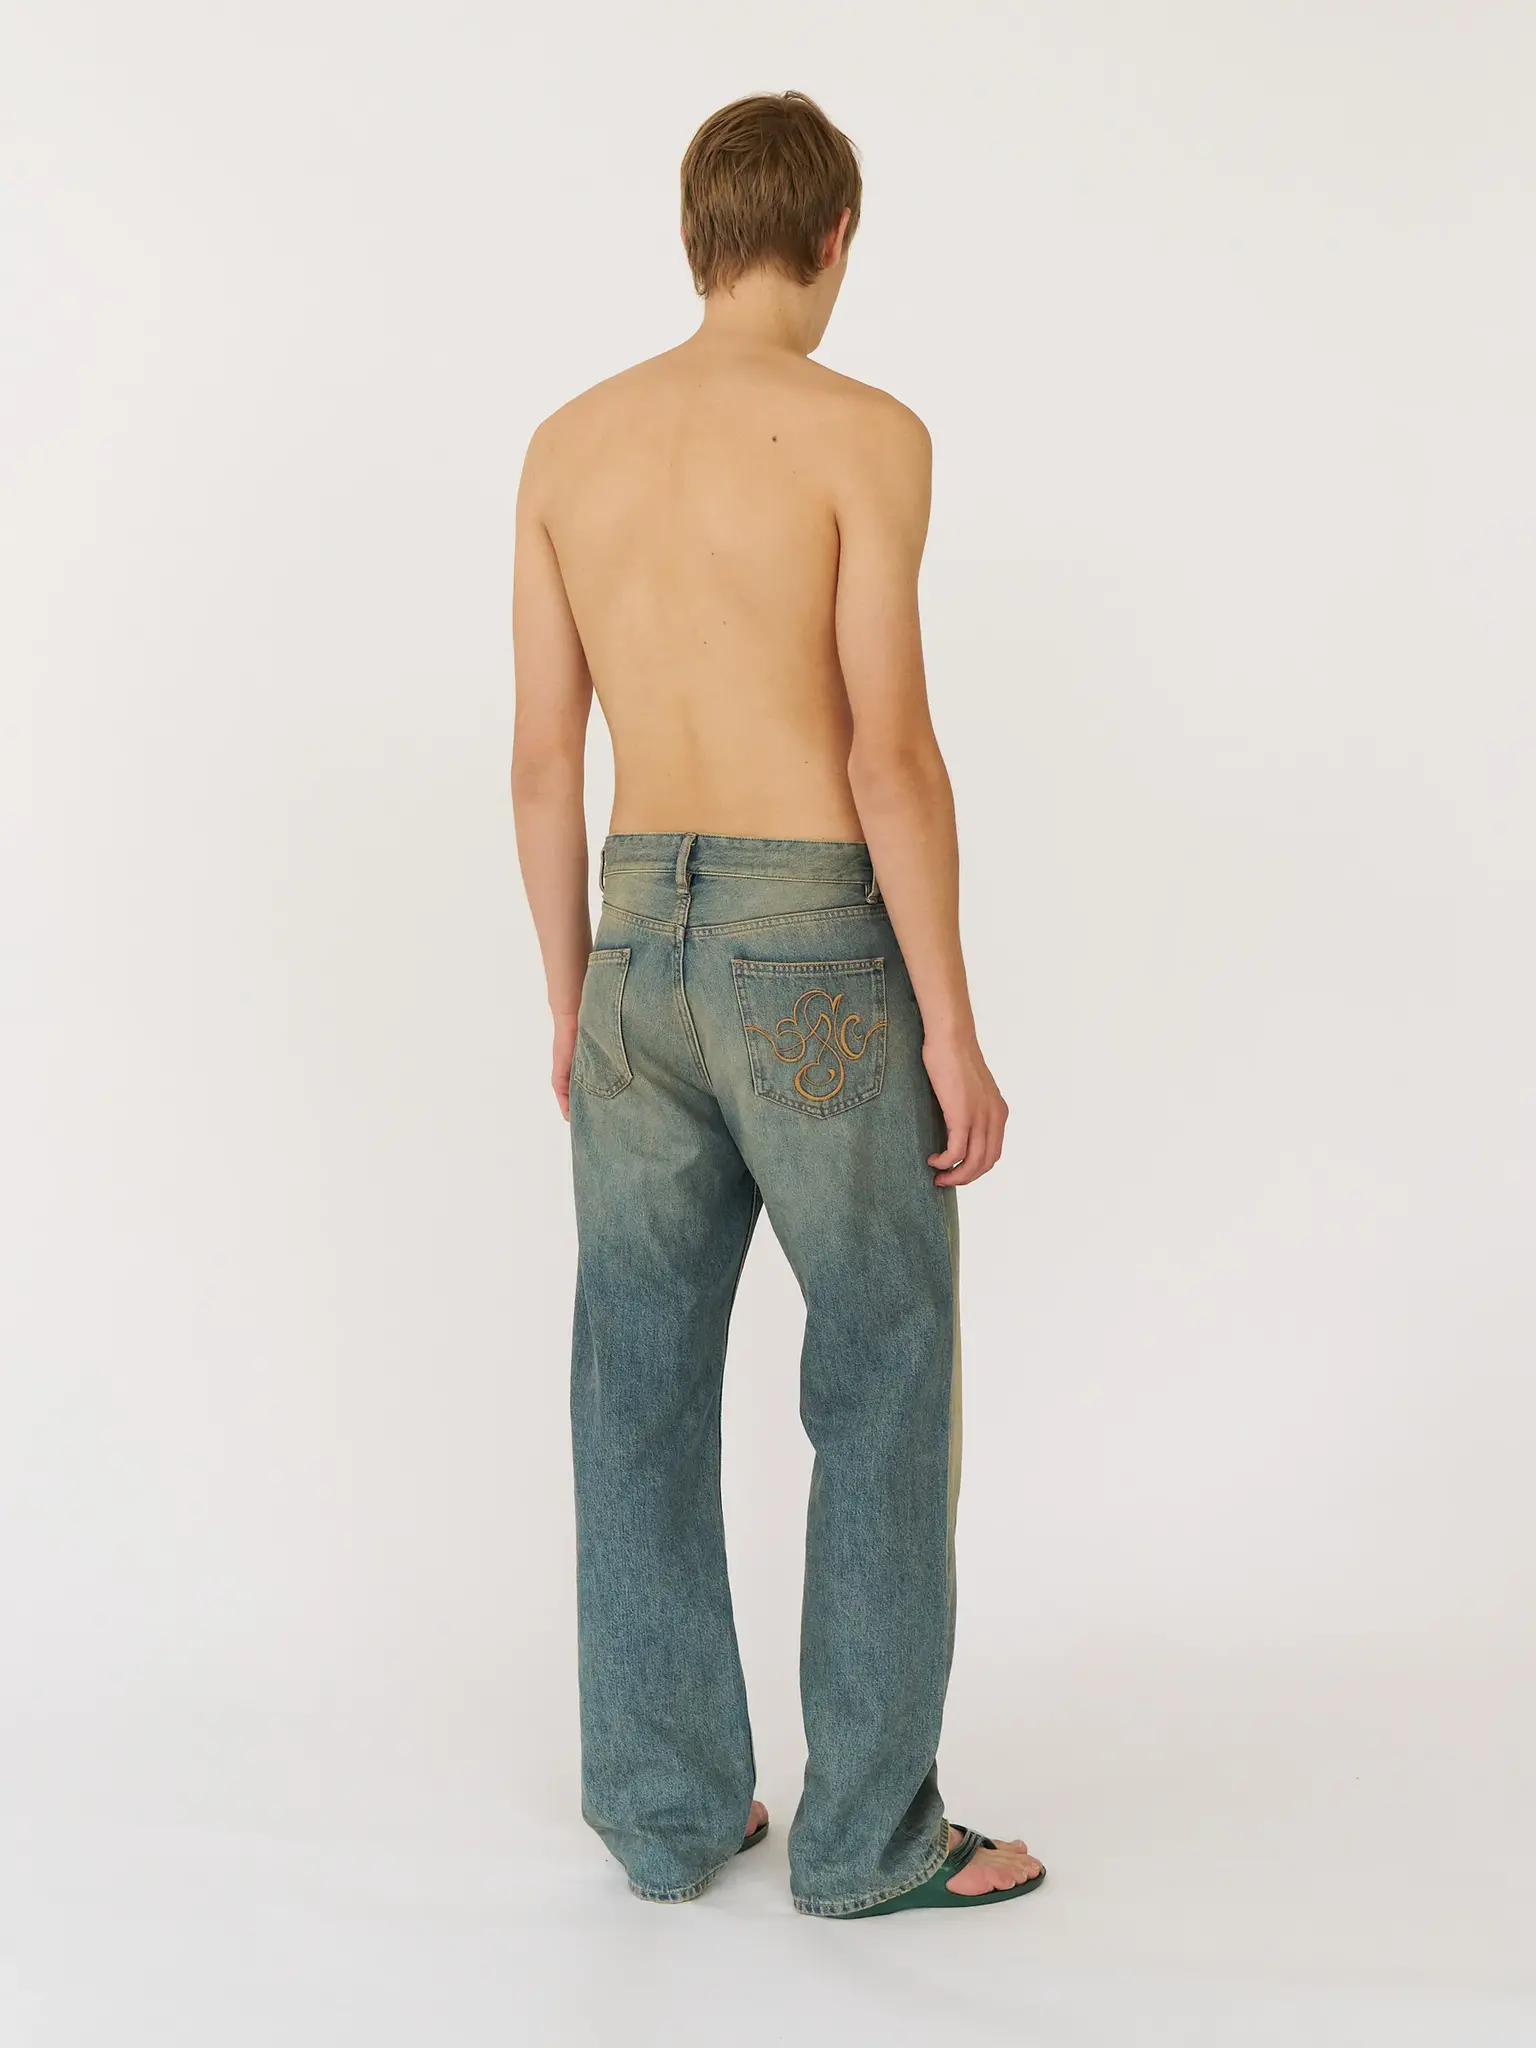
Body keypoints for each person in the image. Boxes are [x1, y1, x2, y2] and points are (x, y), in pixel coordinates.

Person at [511, 89, 1045, 1919]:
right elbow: (889, 755)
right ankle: (868, 1840)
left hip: (629, 937)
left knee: (635, 1383)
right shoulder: (865, 436)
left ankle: (669, 1815)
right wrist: (950, 1027)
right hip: (810, 941)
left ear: (696, 237)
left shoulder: (567, 446)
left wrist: (573, 996)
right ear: (833, 239)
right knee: (885, 1366)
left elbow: (540, 760)